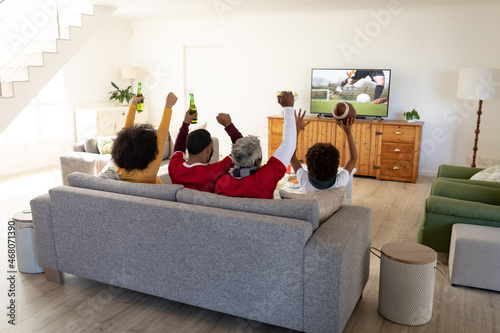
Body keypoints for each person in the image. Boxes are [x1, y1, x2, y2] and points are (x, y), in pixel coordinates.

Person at [215, 91, 297, 199]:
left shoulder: (221, 183)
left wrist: (229, 126)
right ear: (257, 161)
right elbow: (288, 145)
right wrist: (288, 108)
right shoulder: (264, 179)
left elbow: (242, 149)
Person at [99, 92, 177, 183]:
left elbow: (125, 134)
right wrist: (168, 106)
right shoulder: (149, 172)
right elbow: (162, 136)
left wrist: (133, 106)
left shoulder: (120, 170)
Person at [168, 110, 243, 192]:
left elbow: (178, 148)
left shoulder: (174, 166)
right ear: (207, 149)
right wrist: (229, 125)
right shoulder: (213, 172)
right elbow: (244, 149)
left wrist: (185, 123)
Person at [290, 114, 358, 194]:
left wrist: (297, 129)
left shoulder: (304, 180)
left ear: (308, 167)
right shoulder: (340, 182)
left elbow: (291, 156)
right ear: (336, 168)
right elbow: (353, 158)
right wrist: (348, 132)